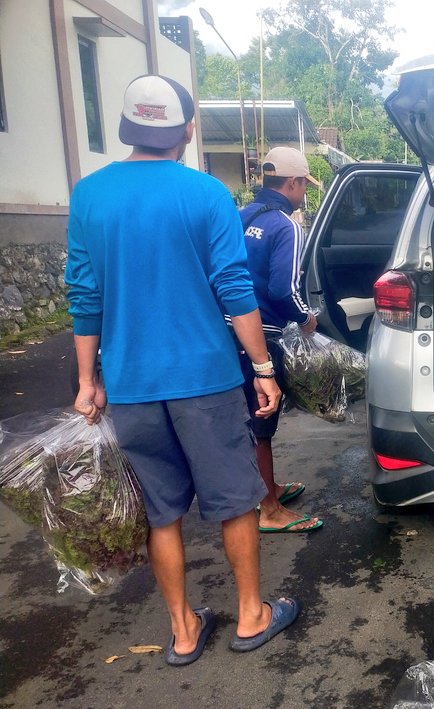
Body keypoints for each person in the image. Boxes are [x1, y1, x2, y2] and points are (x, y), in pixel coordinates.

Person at [65, 74, 299, 666]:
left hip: (131, 384)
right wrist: (263, 367)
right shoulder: (207, 194)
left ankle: (184, 630)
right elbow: (235, 288)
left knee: (160, 510)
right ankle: (251, 615)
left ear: (127, 127)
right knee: (235, 500)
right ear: (188, 129)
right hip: (205, 379)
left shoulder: (89, 195)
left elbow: (85, 295)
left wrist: (88, 382)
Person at [235, 146, 324, 534]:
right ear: (293, 183)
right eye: (304, 185)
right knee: (262, 418)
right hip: (259, 334)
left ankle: (267, 490)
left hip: (226, 330)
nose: (304, 192)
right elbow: (282, 290)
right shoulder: (287, 226)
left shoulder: (240, 217)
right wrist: (306, 318)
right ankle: (269, 509)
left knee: (246, 416)